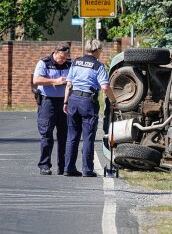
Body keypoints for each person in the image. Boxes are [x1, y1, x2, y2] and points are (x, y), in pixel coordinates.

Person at [63, 39, 117, 177]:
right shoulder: (98, 65)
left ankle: (68, 168)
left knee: (72, 136)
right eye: (101, 50)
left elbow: (68, 84)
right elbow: (105, 87)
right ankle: (87, 169)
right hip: (88, 101)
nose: (101, 53)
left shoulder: (76, 62)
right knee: (88, 137)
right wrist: (113, 100)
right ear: (97, 50)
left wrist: (65, 102)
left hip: (73, 99)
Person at [33, 42, 71, 175]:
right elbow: (36, 80)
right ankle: (44, 165)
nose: (63, 60)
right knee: (46, 135)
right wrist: (55, 81)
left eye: (65, 57)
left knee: (64, 136)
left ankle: (63, 166)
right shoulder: (44, 63)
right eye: (61, 57)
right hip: (47, 102)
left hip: (64, 103)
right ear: (55, 52)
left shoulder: (69, 64)